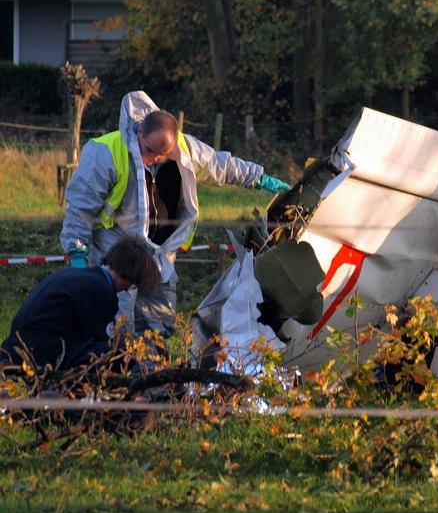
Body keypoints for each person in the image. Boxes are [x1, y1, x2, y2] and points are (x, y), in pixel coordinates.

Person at [60, 90, 290, 338]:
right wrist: (78, 255)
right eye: (149, 151)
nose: (156, 158)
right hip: (115, 251)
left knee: (158, 328)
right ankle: (109, 372)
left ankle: (151, 374)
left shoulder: (184, 149)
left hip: (160, 256)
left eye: (162, 154)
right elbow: (81, 208)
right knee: (115, 326)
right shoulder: (106, 152)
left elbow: (220, 165)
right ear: (139, 132)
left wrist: (260, 179)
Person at [0, 236, 159, 370]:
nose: (127, 289)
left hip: (14, 346)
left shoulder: (82, 277)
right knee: (120, 352)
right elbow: (97, 342)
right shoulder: (102, 291)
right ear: (130, 274)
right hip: (42, 351)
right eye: (132, 283)